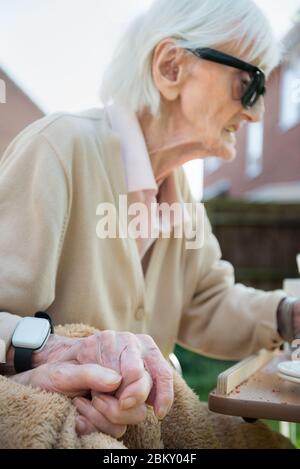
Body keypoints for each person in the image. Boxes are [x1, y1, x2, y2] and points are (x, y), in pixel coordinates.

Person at [0, 0, 299, 443]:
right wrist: (53, 353)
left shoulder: (180, 192)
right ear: (171, 67)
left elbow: (209, 302)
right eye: (249, 84)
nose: (255, 113)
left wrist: (288, 314)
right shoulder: (60, 148)